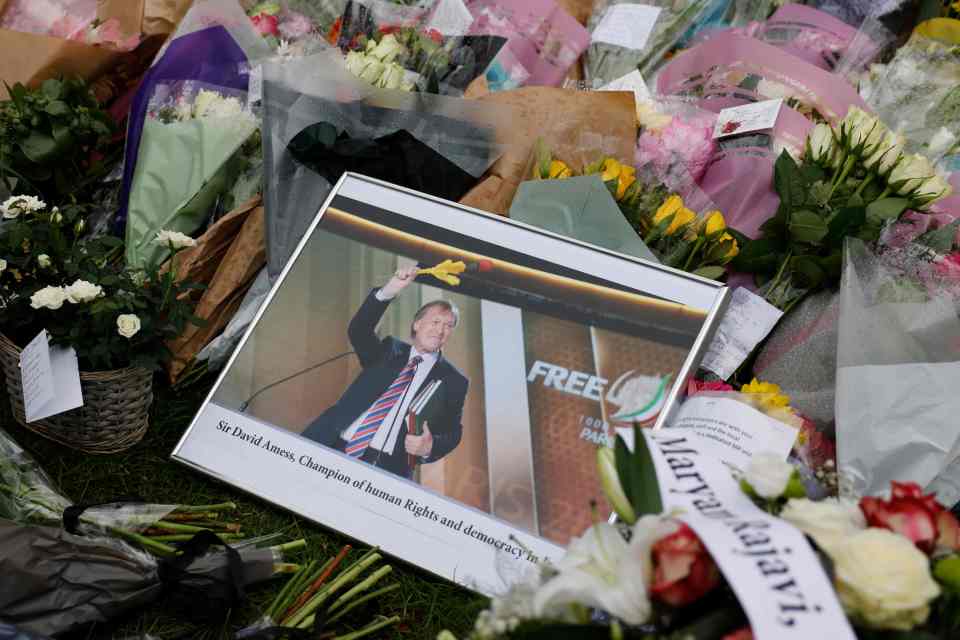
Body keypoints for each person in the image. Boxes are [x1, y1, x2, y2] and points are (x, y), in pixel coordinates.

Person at [301, 265, 469, 479]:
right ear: (417, 324)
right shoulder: (388, 350)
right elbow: (359, 329)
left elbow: (453, 432)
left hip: (387, 469)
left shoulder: (454, 380)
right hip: (331, 444)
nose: (440, 330)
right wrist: (390, 290)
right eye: (435, 321)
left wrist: (430, 447)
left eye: (448, 325)